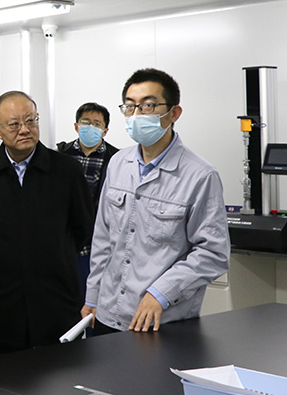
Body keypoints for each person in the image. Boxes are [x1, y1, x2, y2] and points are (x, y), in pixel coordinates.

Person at [82, 68, 230, 334]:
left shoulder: (199, 175)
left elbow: (213, 254)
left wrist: (161, 292)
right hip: (108, 313)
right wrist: (92, 296)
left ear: (174, 113)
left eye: (148, 106)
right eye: (130, 106)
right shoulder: (118, 163)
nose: (137, 115)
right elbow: (103, 238)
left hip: (162, 321)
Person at [0, 91, 93, 353]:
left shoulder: (67, 170)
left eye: (31, 121)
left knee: (65, 372)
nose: (24, 129)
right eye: (14, 124)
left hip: (58, 299)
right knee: (10, 374)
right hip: (4, 304)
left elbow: (83, 230)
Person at [57, 103, 119, 302]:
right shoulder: (60, 155)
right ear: (76, 126)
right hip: (66, 242)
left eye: (97, 124)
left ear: (105, 130)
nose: (90, 127)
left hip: (98, 244)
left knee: (94, 301)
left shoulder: (116, 159)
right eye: (85, 122)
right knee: (65, 299)